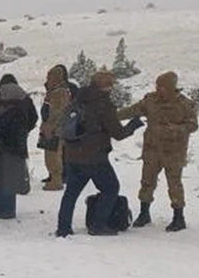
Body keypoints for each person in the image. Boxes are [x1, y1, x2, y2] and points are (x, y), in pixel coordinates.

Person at [55, 71, 144, 237]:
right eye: (111, 84)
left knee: (71, 193)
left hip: (73, 153)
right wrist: (134, 124)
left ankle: (63, 227)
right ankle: (99, 225)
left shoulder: (78, 99)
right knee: (111, 188)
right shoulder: (103, 104)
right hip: (94, 156)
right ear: (107, 86)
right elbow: (117, 133)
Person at [117, 71, 199, 231]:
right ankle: (144, 213)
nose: (158, 89)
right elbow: (131, 111)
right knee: (147, 182)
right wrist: (111, 117)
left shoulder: (185, 104)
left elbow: (193, 125)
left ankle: (178, 217)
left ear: (170, 87)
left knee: (174, 185)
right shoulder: (150, 100)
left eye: (162, 87)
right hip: (152, 150)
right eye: (157, 86)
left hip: (174, 152)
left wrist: (177, 129)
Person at [0, 84, 37, 218]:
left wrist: (2, 140)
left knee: (7, 181)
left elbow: (16, 134)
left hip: (11, 151)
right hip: (3, 150)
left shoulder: (17, 112)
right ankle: (0, 208)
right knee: (1, 180)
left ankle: (7, 210)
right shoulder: (6, 107)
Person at [39, 65, 73, 190]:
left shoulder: (60, 92)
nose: (47, 79)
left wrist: (51, 127)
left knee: (53, 156)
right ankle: (54, 178)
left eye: (50, 76)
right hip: (51, 128)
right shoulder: (55, 91)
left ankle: (56, 181)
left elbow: (58, 113)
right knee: (50, 156)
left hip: (54, 130)